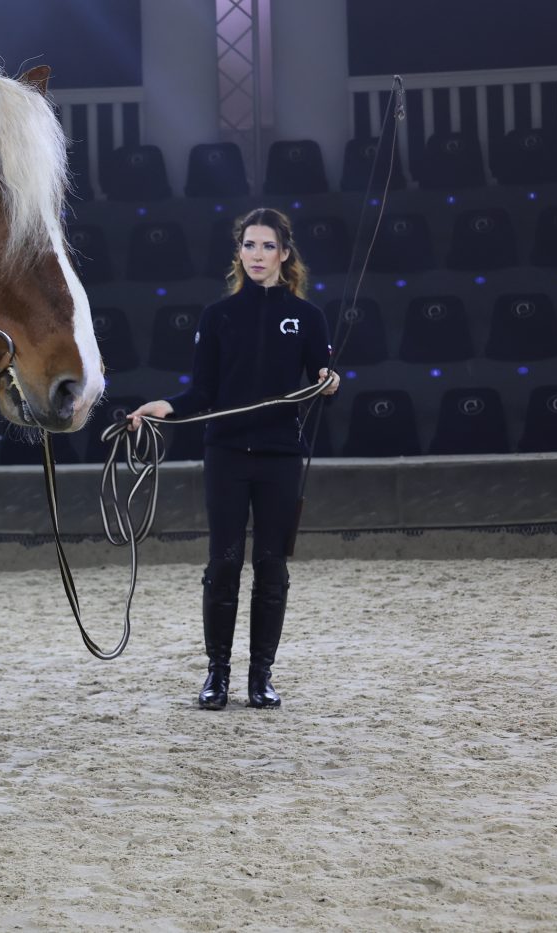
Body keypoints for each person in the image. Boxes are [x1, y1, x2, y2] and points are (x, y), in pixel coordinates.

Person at [126, 208, 340, 710]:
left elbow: (321, 380)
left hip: (281, 456)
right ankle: (217, 674)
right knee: (223, 563)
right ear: (239, 253)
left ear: (285, 254)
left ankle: (260, 676)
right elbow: (202, 390)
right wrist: (165, 406)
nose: (257, 255)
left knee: (271, 566)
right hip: (225, 453)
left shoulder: (307, 317)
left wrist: (330, 383)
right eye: (249, 246)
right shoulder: (218, 316)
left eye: (267, 246)